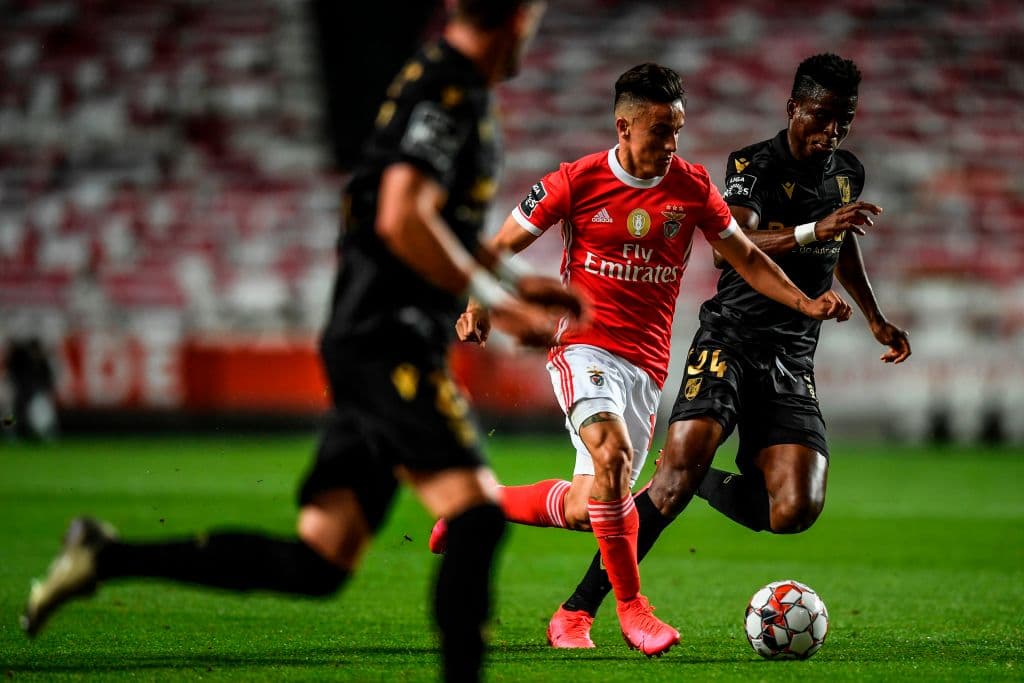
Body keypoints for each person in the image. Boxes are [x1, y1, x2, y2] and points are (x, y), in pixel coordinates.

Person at [20, 3, 580, 682]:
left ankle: (105, 555)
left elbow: (425, 219)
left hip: (374, 338)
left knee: (320, 561)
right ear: (517, 15)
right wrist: (497, 299)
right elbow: (403, 217)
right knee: (478, 516)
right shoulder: (449, 90)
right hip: (387, 340)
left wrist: (512, 277)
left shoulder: (434, 82)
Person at [429, 62, 854, 657]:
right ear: (623, 127)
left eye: (677, 130)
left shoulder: (693, 187)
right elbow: (500, 245)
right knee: (613, 456)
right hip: (583, 348)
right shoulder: (574, 181)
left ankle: (476, 505)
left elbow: (748, 259)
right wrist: (477, 302)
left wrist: (803, 300)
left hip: (644, 367)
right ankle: (627, 611)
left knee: (590, 506)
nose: (670, 143)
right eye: (659, 130)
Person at [548, 53, 912, 648]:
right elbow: (730, 246)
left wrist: (874, 315)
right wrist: (811, 230)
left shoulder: (848, 171)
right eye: (822, 118)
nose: (833, 132)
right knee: (673, 483)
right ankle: (579, 609)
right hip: (731, 337)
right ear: (794, 108)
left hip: (792, 354)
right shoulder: (752, 165)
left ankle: (691, 475)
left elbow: (843, 244)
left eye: (844, 120)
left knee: (794, 510)